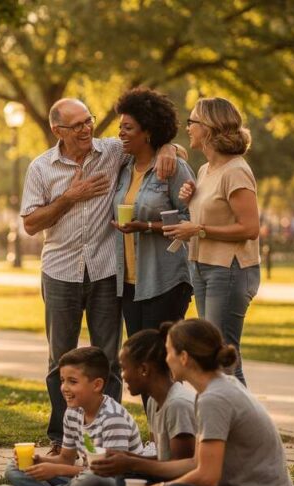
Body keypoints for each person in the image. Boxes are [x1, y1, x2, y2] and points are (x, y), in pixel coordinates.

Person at [20, 97, 177, 454]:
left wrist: (169, 147)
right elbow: (30, 224)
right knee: (60, 359)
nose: (86, 129)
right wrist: (69, 197)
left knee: (108, 359)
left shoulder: (111, 151)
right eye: (76, 125)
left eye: (88, 120)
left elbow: (150, 142)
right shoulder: (41, 168)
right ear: (57, 130)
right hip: (60, 272)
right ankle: (63, 439)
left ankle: (109, 436)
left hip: (106, 271)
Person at [80, 319, 294, 486]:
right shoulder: (213, 390)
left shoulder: (214, 398)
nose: (165, 360)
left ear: (183, 358)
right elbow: (195, 463)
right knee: (140, 480)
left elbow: (207, 477)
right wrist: (132, 462)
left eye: (168, 352)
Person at [109, 88, 195, 409]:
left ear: (147, 132)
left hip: (165, 280)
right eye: (120, 127)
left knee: (162, 365)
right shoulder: (123, 167)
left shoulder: (172, 168)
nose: (121, 133)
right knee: (140, 366)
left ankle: (174, 429)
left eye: (128, 127)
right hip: (130, 283)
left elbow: (189, 221)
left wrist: (146, 226)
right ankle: (155, 431)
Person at [166, 97, 260, 384]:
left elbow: (250, 228)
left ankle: (239, 412)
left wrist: (199, 229)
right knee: (211, 354)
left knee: (222, 356)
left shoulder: (236, 170)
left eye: (192, 122)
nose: (188, 127)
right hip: (201, 266)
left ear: (209, 127)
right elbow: (214, 212)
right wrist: (191, 199)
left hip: (228, 270)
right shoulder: (205, 170)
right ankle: (221, 410)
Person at [0, 347, 145, 486]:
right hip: (82, 477)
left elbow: (111, 472)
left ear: (97, 385)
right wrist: (40, 461)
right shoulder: (73, 412)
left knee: (91, 480)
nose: (64, 387)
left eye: (72, 381)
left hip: (117, 482)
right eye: (62, 380)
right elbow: (66, 459)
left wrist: (56, 470)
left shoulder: (113, 417)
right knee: (14, 467)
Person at [80, 328, 197, 486]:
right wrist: (125, 457)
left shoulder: (178, 405)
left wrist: (131, 464)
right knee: (106, 479)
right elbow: (164, 459)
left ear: (143, 369)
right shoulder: (153, 401)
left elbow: (180, 469)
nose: (122, 375)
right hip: (163, 480)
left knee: (95, 482)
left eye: (123, 368)